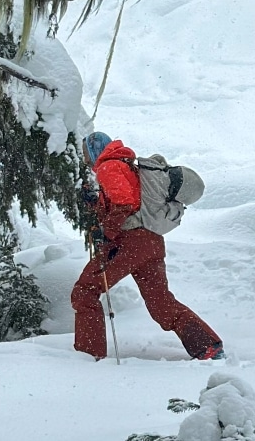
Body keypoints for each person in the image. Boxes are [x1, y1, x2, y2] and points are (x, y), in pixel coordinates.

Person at [71, 131, 224, 361]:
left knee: (85, 291)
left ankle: (88, 356)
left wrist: (107, 231)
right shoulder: (126, 165)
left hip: (130, 242)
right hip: (151, 242)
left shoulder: (108, 166)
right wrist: (96, 203)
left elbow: (125, 203)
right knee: (161, 303)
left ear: (96, 149)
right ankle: (207, 346)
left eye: (86, 152)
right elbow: (129, 201)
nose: (85, 159)